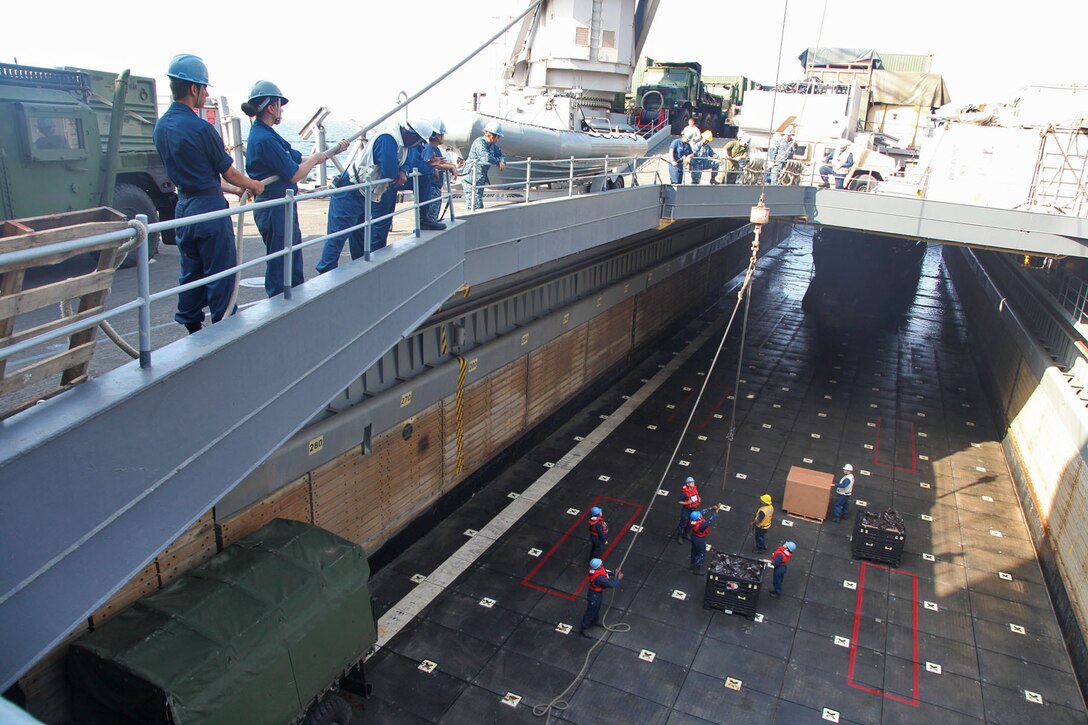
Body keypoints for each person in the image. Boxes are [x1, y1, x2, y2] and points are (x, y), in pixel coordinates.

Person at [153, 54, 265, 334]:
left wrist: (235, 189)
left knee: (192, 273)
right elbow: (229, 172)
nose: (205, 95)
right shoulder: (201, 128)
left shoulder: (161, 127)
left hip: (184, 208)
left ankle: (191, 326)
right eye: (204, 89)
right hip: (209, 210)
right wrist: (254, 185)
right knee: (221, 274)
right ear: (194, 88)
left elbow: (200, 176)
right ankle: (224, 329)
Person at [242, 81, 346, 298]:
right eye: (279, 106)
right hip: (274, 205)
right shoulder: (264, 139)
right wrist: (316, 159)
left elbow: (296, 160)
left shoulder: (267, 135)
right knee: (281, 263)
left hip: (280, 204)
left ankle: (293, 300)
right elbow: (295, 174)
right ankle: (279, 304)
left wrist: (329, 153)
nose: (281, 111)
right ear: (271, 107)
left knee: (290, 257)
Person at [315, 118, 433, 273]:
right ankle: (325, 271)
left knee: (360, 234)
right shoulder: (387, 139)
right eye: (419, 142)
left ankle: (359, 269)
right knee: (338, 234)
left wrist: (403, 171)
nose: (418, 145)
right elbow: (389, 171)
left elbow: (407, 162)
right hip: (350, 189)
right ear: (413, 136)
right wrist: (400, 172)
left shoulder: (401, 143)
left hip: (364, 192)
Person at [421, 118, 458, 229]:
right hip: (431, 187)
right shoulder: (429, 148)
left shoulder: (434, 148)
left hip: (435, 187)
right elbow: (430, 164)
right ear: (438, 136)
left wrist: (451, 165)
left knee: (433, 218)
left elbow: (439, 162)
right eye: (442, 135)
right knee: (430, 220)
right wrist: (452, 167)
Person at [464, 121, 506, 211]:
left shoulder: (493, 146)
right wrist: (498, 162)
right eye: (498, 137)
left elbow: (501, 155)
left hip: (480, 180)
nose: (498, 139)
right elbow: (486, 158)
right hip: (471, 180)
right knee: (475, 206)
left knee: (477, 205)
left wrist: (501, 161)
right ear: (492, 136)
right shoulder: (479, 142)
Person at [580, 557, 622, 638]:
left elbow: (605, 572)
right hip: (594, 595)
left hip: (596, 593)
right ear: (598, 566)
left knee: (597, 607)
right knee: (591, 611)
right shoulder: (598, 578)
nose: (602, 564)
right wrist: (618, 579)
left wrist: (614, 572)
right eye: (600, 564)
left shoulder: (597, 570)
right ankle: (584, 627)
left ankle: (594, 621)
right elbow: (611, 584)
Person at [689, 505, 722, 574]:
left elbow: (702, 512)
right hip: (700, 540)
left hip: (694, 537)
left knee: (694, 551)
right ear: (699, 517)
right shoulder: (701, 526)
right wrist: (716, 511)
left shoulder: (693, 520)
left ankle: (692, 563)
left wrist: (711, 508)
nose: (701, 515)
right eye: (700, 515)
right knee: (701, 554)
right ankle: (697, 569)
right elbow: (710, 520)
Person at [674, 476, 702, 543]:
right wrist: (687, 503)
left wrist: (699, 498)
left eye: (693, 482)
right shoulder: (684, 493)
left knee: (690, 522)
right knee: (683, 523)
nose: (693, 483)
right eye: (691, 482)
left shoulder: (695, 489)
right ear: (688, 484)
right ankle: (679, 536)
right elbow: (679, 501)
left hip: (693, 508)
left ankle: (686, 534)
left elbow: (697, 495)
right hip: (686, 510)